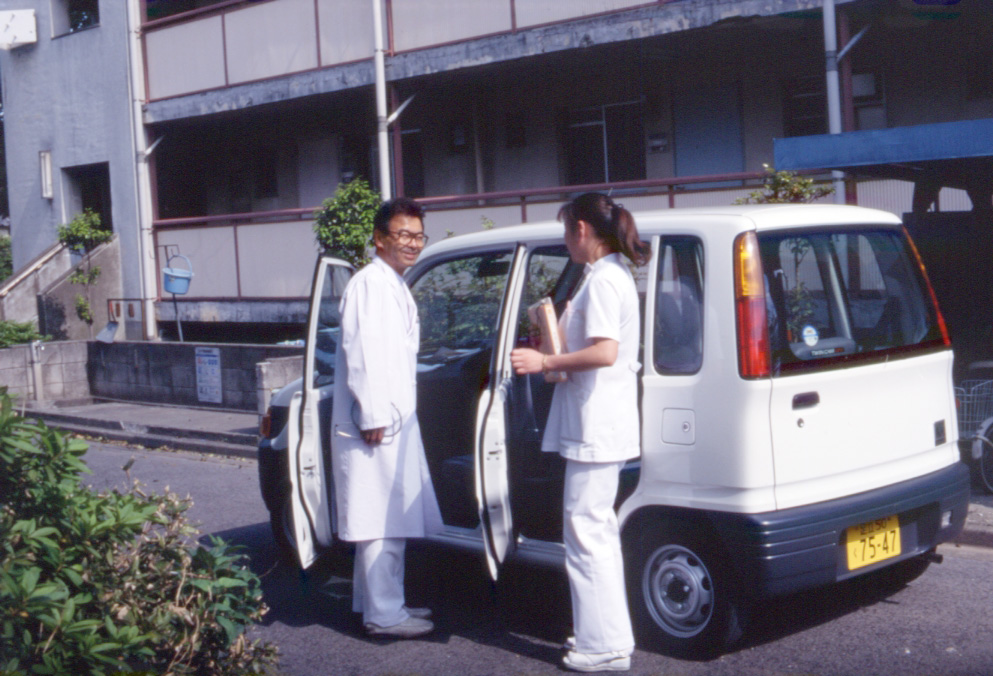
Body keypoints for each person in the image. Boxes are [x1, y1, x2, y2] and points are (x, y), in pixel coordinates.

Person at [510, 193, 649, 673]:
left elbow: (605, 352)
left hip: (597, 424)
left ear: (583, 230)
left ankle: (603, 647)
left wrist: (545, 360)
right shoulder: (607, 276)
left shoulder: (605, 280)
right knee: (596, 533)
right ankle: (605, 637)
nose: (566, 240)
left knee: (586, 533)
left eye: (567, 230)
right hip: (599, 422)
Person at [331, 197, 443, 639]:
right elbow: (361, 352)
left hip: (391, 416)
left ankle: (379, 604)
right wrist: (373, 413)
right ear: (379, 239)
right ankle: (385, 614)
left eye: (418, 236)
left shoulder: (391, 283)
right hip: (377, 421)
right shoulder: (370, 284)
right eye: (403, 235)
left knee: (382, 516)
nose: (412, 243)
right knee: (381, 519)